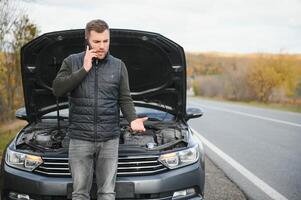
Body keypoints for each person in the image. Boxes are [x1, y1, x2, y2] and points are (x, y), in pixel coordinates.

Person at [52, 19, 147, 200]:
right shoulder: (72, 61)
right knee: (80, 193)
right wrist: (84, 69)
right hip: (80, 138)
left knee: (107, 193)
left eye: (105, 41)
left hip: (109, 139)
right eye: (97, 41)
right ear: (87, 40)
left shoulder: (118, 66)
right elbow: (57, 89)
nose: (102, 46)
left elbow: (124, 98)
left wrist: (133, 118)